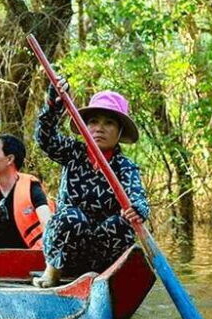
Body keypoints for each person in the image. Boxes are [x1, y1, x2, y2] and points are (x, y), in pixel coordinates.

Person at [32, 85, 149, 287]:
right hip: (69, 249)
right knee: (72, 217)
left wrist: (137, 209)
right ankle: (52, 273)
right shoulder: (72, 152)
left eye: (109, 123)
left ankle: (106, 280)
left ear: (119, 132)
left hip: (103, 253)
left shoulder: (125, 167)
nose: (99, 128)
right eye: (93, 122)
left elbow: (138, 199)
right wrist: (53, 104)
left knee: (121, 224)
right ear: (85, 126)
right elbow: (45, 137)